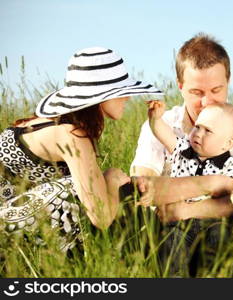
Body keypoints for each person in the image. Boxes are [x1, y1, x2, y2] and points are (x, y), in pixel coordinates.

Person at [130, 33, 233, 276]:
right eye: (196, 92)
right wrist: (216, 183)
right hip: (170, 235)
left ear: (228, 81)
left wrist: (183, 208)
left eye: (216, 90)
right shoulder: (165, 125)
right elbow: (145, 190)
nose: (206, 102)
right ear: (180, 86)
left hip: (224, 236)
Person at [0, 47, 163, 251]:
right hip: (7, 233)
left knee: (97, 189)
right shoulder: (71, 134)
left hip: (13, 219)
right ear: (101, 96)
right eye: (121, 92)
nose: (128, 98)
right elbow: (100, 217)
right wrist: (111, 178)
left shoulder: (53, 122)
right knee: (84, 191)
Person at [144, 100, 233, 204]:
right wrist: (156, 119)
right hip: (174, 212)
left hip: (207, 217)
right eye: (197, 127)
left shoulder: (230, 165)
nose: (198, 133)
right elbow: (164, 135)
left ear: (228, 143)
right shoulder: (183, 148)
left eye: (208, 130)